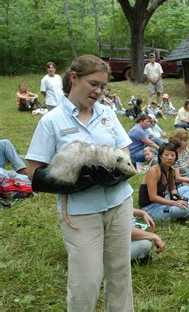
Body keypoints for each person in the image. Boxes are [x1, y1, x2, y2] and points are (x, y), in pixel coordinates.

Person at [26, 55, 134, 310]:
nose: (99, 91)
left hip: (119, 203)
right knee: (86, 281)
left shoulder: (107, 113)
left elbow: (126, 153)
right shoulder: (51, 121)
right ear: (74, 78)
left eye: (103, 87)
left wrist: (117, 173)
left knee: (120, 273)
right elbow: (33, 171)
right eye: (94, 84)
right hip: (81, 213)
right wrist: (74, 182)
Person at [139, 143, 189, 222]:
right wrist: (174, 203)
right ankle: (186, 211)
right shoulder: (154, 171)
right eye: (166, 155)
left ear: (175, 158)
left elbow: (172, 188)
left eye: (173, 155)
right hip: (150, 208)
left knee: (186, 189)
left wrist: (176, 196)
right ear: (161, 156)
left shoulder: (171, 171)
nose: (170, 158)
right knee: (183, 209)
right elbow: (153, 197)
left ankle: (186, 210)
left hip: (162, 201)